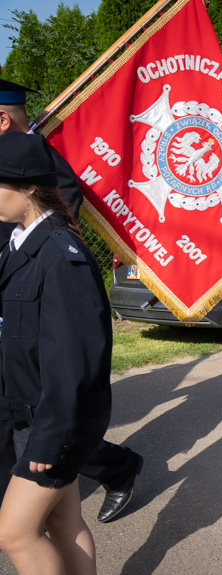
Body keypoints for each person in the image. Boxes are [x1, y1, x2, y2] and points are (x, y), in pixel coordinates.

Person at [0, 78, 142, 525]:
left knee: (48, 412)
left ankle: (115, 467)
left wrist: (28, 251)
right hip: (10, 290)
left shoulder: (35, 159)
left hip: (32, 295)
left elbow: (62, 205)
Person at [0, 131, 112, 575]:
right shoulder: (21, 244)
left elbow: (73, 361)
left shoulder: (62, 256)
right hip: (29, 410)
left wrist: (49, 438)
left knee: (14, 532)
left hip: (56, 422)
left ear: (28, 188)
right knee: (64, 522)